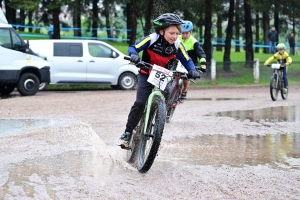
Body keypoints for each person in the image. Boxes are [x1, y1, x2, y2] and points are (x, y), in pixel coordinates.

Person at [118, 13, 200, 149]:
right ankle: (127, 133)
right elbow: (134, 47)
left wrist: (192, 70)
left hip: (165, 75)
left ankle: (158, 122)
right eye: (171, 33)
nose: (175, 36)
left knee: (167, 97)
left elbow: (187, 59)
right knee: (140, 102)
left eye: (177, 33)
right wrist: (134, 55)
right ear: (162, 31)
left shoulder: (178, 44)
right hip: (146, 73)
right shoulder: (152, 38)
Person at [178, 20, 206, 102]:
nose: (184, 35)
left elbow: (201, 54)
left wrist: (203, 65)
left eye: (187, 33)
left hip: (190, 62)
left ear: (191, 32)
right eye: (183, 33)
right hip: (178, 60)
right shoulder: (177, 38)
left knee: (186, 76)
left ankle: (185, 90)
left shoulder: (194, 42)